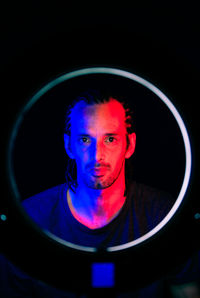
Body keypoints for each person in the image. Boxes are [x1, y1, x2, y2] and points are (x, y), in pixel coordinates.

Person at [0, 89, 199, 297]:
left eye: (110, 139)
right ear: (69, 145)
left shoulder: (165, 217)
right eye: (85, 140)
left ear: (129, 145)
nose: (97, 155)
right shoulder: (30, 220)